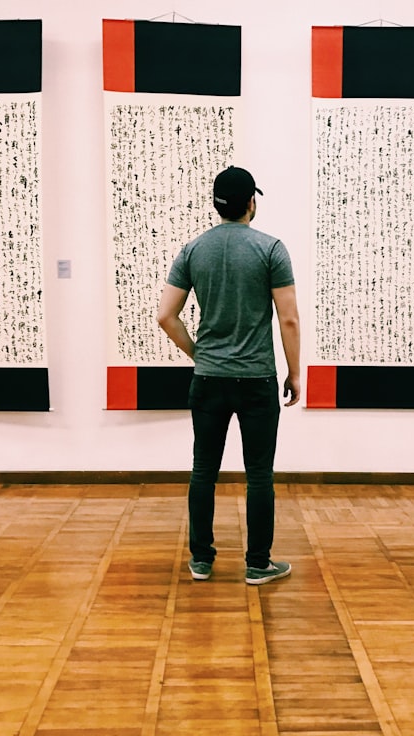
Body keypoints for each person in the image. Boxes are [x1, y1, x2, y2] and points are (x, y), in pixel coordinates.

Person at [157, 166, 300, 585]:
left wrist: (200, 353)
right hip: (257, 379)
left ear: (217, 204)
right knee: (259, 474)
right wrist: (294, 372)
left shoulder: (193, 250)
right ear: (250, 204)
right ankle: (258, 564)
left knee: (204, 469)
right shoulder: (271, 249)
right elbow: (288, 320)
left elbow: (167, 315)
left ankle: (201, 560)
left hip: (209, 379)